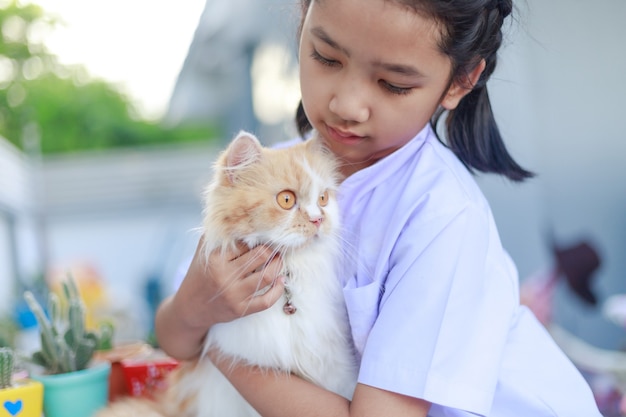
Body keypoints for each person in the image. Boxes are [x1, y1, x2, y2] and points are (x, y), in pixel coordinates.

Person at [155, 0, 603, 416]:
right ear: (302, 18)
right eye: (327, 58)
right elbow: (175, 336)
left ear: (461, 81)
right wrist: (196, 304)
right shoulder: (278, 173)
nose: (346, 105)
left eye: (393, 84)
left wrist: (217, 343)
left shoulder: (443, 217)